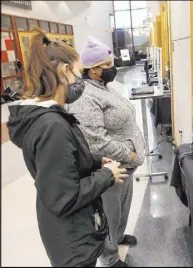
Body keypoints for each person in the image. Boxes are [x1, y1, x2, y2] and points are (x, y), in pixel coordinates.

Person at [6, 28, 129, 267]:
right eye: (79, 72)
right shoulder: (51, 126)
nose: (80, 79)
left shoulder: (50, 118)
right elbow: (64, 197)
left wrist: (95, 162)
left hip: (70, 232)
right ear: (65, 71)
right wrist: (106, 175)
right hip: (71, 242)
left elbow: (64, 164)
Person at [66, 36, 145, 267]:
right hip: (112, 168)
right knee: (109, 216)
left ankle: (118, 238)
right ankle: (109, 258)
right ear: (92, 70)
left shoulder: (103, 87)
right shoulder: (85, 97)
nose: (113, 69)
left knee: (121, 211)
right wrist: (129, 154)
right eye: (107, 66)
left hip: (126, 168)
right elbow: (95, 142)